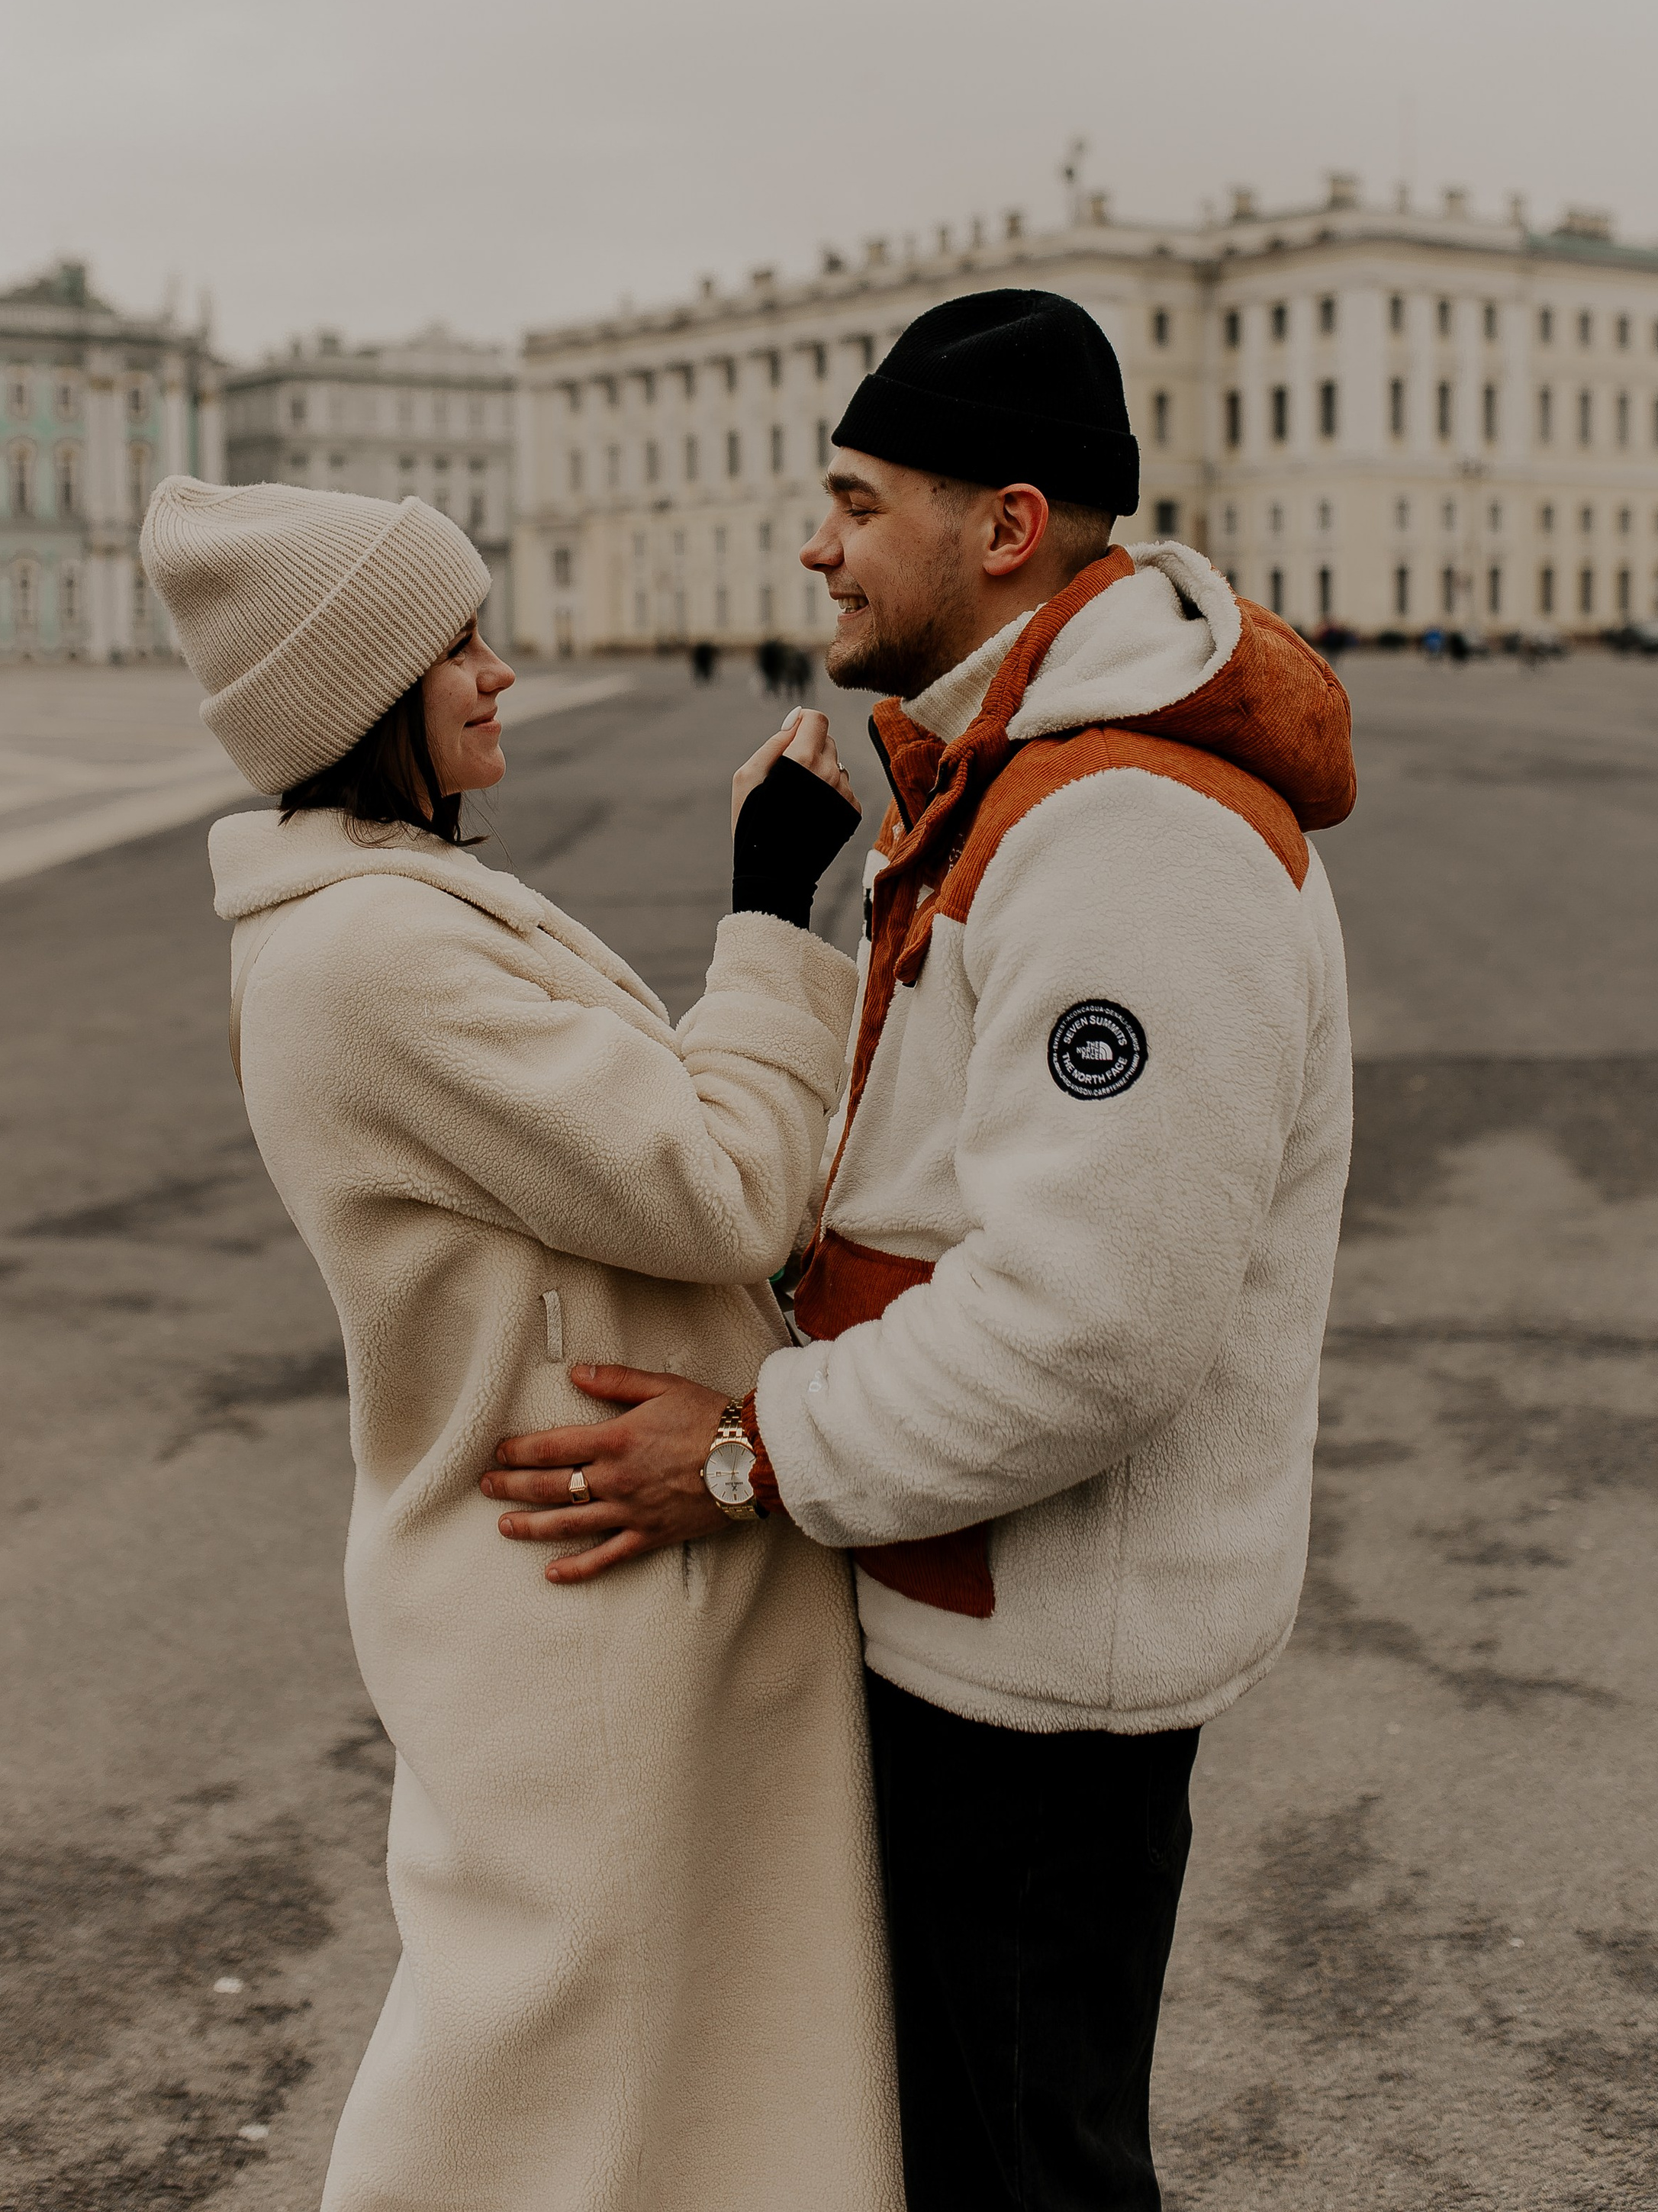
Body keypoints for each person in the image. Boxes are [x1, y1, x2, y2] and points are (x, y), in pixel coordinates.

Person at [486, 288, 1357, 2212]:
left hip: (1038, 1666)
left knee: (1017, 2165)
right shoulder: (1012, 784)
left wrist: (743, 1450)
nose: (814, 539)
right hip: (964, 1599)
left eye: (854, 496)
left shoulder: (1128, 827)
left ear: (1003, 525)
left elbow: (1089, 1324)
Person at [140, 475, 901, 2212]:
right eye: (455, 645)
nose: (501, 671)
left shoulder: (385, 906)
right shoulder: (373, 951)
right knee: (541, 2083)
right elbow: (713, 1193)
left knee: (633, 2076)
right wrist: (771, 912)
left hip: (587, 1567)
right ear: (359, 696)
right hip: (582, 1584)